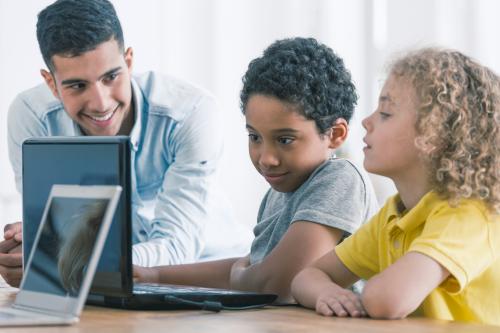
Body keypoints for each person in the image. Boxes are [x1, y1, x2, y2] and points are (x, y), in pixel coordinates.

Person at [0, 0, 251, 287]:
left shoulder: (191, 113)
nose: (101, 103)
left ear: (129, 62)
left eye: (111, 77)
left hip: (211, 280)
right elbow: (56, 235)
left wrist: (54, 262)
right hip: (105, 287)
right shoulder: (32, 118)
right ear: (51, 84)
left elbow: (177, 249)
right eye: (77, 85)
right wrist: (28, 252)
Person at [134, 37, 379, 303]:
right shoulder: (279, 192)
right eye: (255, 137)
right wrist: (154, 275)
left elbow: (277, 285)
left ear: (335, 134)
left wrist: (244, 274)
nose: (266, 158)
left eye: (285, 140)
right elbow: (249, 269)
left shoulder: (340, 179)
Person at [291, 48, 500, 324]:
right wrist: (327, 292)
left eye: (386, 113)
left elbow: (387, 301)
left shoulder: (470, 215)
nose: (367, 122)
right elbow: (306, 277)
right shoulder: (394, 215)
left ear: (434, 136)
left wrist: (365, 293)